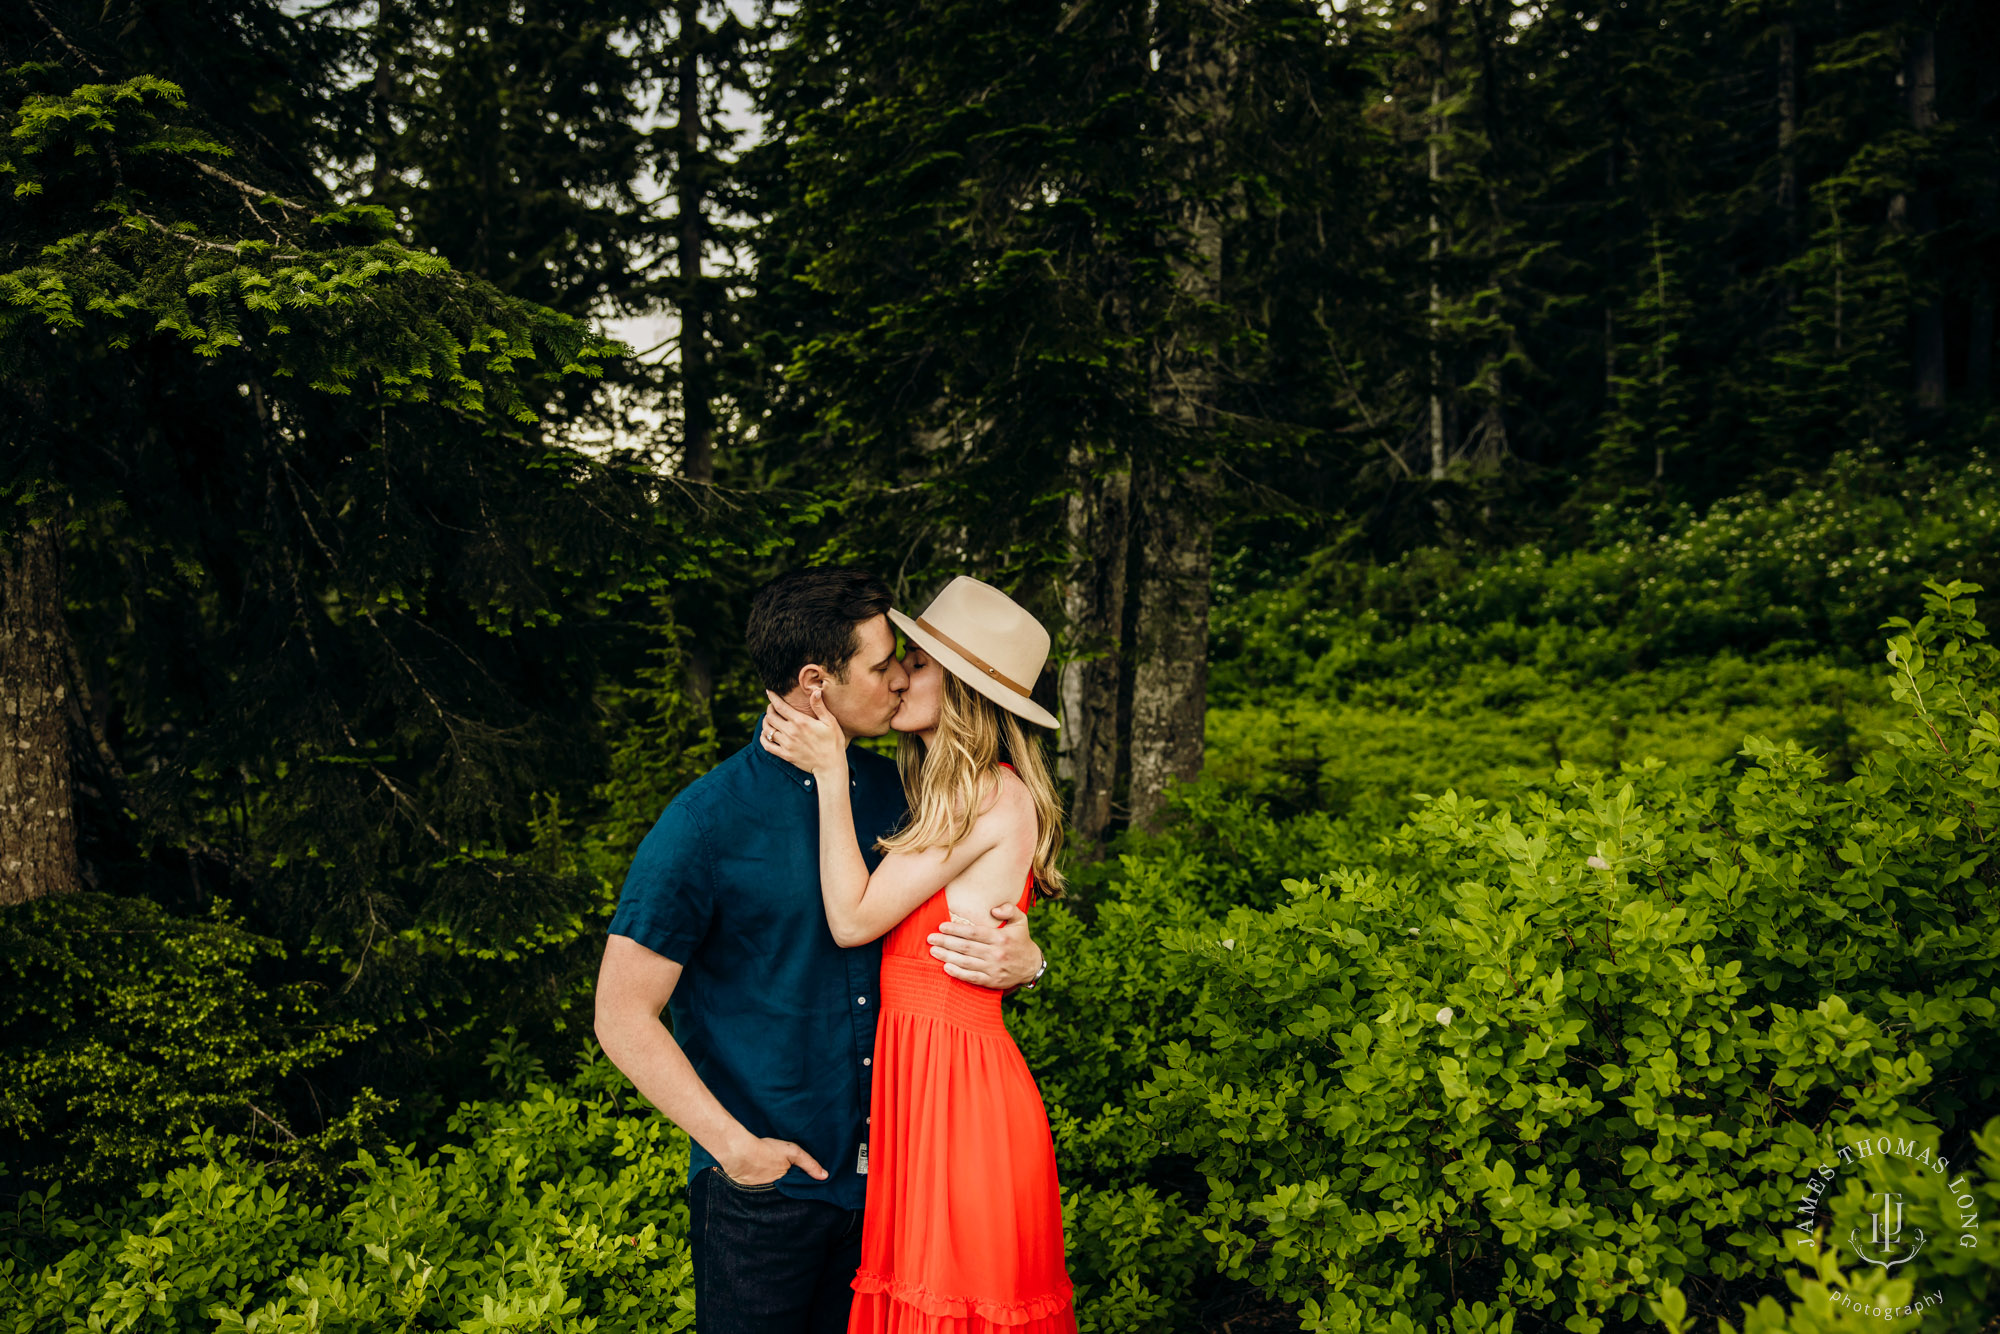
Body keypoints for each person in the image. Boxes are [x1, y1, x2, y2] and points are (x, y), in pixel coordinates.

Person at [593, 567, 1046, 1334]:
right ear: (816, 681)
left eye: (911, 663)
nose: (901, 680)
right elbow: (621, 1013)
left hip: (898, 1186)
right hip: (768, 1195)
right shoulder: (704, 824)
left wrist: (1027, 962)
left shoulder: (902, 792)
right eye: (883, 665)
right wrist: (736, 1151)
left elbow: (971, 911)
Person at [761, 574, 1076, 1334]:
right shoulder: (950, 789)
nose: (902, 675)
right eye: (902, 660)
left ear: (963, 689)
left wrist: (830, 770)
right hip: (929, 1085)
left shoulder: (985, 793)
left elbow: (853, 919)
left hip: (961, 1095)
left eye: (923, 664)